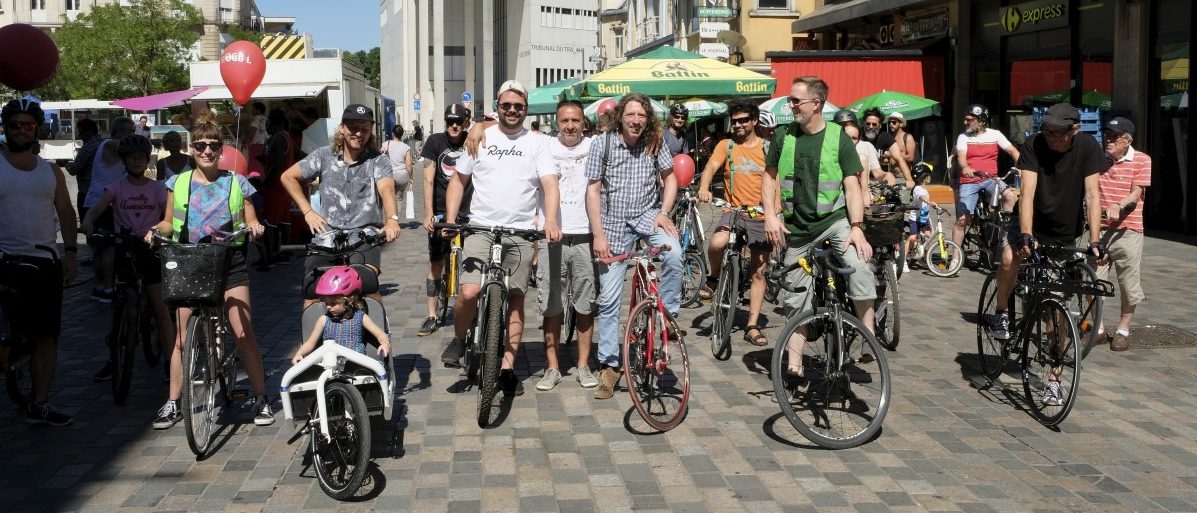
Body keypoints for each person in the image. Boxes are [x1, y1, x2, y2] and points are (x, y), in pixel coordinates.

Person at [438, 80, 561, 398]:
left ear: (526, 109)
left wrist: (550, 222)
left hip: (520, 232)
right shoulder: (480, 135)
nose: (512, 110)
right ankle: (460, 337)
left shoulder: (538, 142)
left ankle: (506, 368)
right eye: (506, 105)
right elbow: (458, 180)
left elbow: (549, 184)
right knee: (467, 291)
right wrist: (451, 219)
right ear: (498, 105)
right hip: (480, 228)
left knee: (516, 299)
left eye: (518, 106)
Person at [148, 121, 273, 429]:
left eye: (213, 146)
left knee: (243, 333)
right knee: (179, 339)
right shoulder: (176, 182)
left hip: (229, 260)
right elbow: (167, 221)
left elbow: (251, 216)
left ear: (221, 150)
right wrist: (153, 231)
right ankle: (173, 402)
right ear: (192, 149)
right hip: (189, 261)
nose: (206, 151)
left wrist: (255, 226)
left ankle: (260, 397)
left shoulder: (237, 182)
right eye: (200, 145)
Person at [989, 103, 1109, 408]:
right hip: (1031, 220)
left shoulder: (1088, 147)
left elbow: (1094, 195)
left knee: (1057, 310)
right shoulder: (1034, 144)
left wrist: (1095, 240)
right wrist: (1027, 235)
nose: (1051, 137)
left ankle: (1054, 379)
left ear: (1075, 131)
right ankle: (1001, 312)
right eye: (1047, 130)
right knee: (1009, 258)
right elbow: (1026, 192)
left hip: (1065, 230)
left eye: (1058, 133)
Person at [761, 76, 876, 376]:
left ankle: (869, 339)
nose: (791, 106)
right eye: (790, 100)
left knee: (859, 264)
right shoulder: (783, 135)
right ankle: (794, 364)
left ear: (817, 104)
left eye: (796, 101)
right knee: (796, 295)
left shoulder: (838, 137)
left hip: (834, 223)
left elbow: (852, 187)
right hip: (797, 230)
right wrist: (771, 216)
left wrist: (857, 226)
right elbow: (769, 176)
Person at [586, 93, 683, 400]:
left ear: (648, 119)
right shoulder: (602, 144)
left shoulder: (655, 141)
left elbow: (670, 178)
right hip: (612, 223)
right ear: (620, 117)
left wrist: (664, 213)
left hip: (647, 216)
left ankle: (666, 310)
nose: (636, 120)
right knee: (610, 299)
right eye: (631, 115)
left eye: (642, 115)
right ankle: (610, 366)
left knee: (675, 253)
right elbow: (592, 190)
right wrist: (598, 234)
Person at [0, 98, 78, 426]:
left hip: (45, 262)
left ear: (37, 129)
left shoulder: (51, 171)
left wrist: (71, 252)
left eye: (27, 125)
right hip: (5, 261)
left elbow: (65, 212)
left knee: (46, 337)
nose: (21, 130)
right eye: (15, 124)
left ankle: (40, 402)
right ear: (5, 128)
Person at [280, 104, 401, 309]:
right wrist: (308, 211)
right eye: (353, 127)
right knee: (311, 291)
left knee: (368, 285)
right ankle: (311, 341)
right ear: (343, 128)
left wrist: (392, 220)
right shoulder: (323, 156)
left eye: (364, 128)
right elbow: (288, 177)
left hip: (365, 236)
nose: (358, 133)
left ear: (370, 131)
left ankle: (380, 337)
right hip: (327, 235)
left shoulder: (378, 161)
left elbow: (387, 189)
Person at [81, 134, 174, 381]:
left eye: (140, 157)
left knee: (161, 307)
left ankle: (171, 361)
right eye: (131, 157)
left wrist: (161, 231)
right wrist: (89, 222)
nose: (135, 161)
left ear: (147, 160)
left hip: (150, 248)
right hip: (125, 246)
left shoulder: (157, 188)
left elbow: (168, 217)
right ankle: (115, 356)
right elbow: (98, 208)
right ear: (123, 160)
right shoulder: (116, 187)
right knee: (120, 301)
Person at [694, 100, 773, 347]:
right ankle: (715, 276)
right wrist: (704, 188)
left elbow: (776, 179)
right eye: (734, 121)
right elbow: (710, 168)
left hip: (760, 214)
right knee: (716, 243)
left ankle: (752, 325)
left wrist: (775, 209)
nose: (737, 125)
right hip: (734, 210)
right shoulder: (726, 146)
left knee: (759, 271)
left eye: (742, 121)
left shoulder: (768, 148)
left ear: (754, 122)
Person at [535, 100, 598, 390]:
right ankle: (553, 368)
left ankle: (584, 366)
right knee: (552, 305)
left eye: (575, 120)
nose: (570, 126)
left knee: (585, 304)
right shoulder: (544, 146)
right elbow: (501, 127)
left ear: (584, 123)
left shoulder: (596, 144)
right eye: (564, 121)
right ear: (556, 122)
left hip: (586, 236)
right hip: (552, 237)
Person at [1094, 117, 1151, 352]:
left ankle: (1123, 330)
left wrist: (1120, 204)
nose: (1108, 140)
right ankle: (1098, 329)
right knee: (1093, 280)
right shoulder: (1098, 160)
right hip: (1100, 229)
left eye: (1114, 137)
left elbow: (1137, 192)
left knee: (1129, 284)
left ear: (1127, 141)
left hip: (1129, 230)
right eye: (1107, 135)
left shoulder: (1142, 160)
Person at [418, 104, 473, 336]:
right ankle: (432, 315)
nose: (453, 125)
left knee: (471, 265)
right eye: (450, 121)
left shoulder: (472, 140)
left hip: (468, 212)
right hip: (441, 211)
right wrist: (428, 211)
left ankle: (470, 313)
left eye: (458, 122)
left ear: (465, 123)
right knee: (436, 264)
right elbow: (428, 179)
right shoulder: (435, 142)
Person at [82, 117, 135, 303]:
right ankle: (106, 285)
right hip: (103, 203)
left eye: (133, 131)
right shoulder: (109, 144)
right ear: (117, 131)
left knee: (100, 246)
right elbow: (124, 147)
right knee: (109, 246)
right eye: (128, 131)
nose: (131, 135)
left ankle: (101, 283)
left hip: (100, 201)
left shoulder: (109, 145)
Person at [953, 104, 1020, 250]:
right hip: (969, 180)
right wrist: (965, 167)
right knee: (962, 220)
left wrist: (1022, 166)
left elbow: (1012, 150)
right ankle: (955, 258)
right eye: (965, 120)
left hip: (991, 179)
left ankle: (1006, 234)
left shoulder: (994, 134)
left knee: (1011, 197)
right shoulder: (963, 137)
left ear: (981, 120)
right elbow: (961, 156)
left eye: (969, 120)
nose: (965, 123)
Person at [291, 266, 391, 364]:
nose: (329, 307)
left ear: (349, 300)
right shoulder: (323, 320)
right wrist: (300, 353)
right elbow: (310, 343)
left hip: (357, 363)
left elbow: (380, 334)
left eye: (333, 304)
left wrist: (384, 344)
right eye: (326, 304)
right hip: (330, 363)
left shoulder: (361, 317)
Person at [861, 109, 913, 188]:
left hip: (877, 179)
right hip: (859, 178)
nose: (870, 127)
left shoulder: (885, 137)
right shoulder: (858, 136)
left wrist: (909, 180)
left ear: (880, 126)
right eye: (868, 124)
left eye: (874, 124)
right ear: (864, 124)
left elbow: (899, 158)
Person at [904, 163, 938, 273]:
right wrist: (929, 202)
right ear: (923, 177)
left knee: (929, 237)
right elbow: (921, 198)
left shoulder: (924, 188)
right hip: (915, 218)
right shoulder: (917, 188)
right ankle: (903, 261)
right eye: (928, 175)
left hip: (924, 218)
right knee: (913, 238)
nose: (929, 178)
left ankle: (924, 258)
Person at [66, 118, 101, 218]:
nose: (79, 136)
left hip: (87, 193)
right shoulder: (103, 143)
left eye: (81, 132)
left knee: (88, 226)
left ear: (88, 131)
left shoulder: (88, 146)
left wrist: (66, 164)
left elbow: (74, 170)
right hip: (102, 193)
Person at [381, 125, 412, 222]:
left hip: (389, 175)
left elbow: (380, 155)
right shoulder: (406, 147)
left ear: (392, 133)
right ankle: (395, 221)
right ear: (402, 135)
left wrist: (383, 151)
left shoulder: (386, 144)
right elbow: (409, 164)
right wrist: (411, 178)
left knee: (388, 197)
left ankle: (388, 219)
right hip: (402, 175)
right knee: (398, 199)